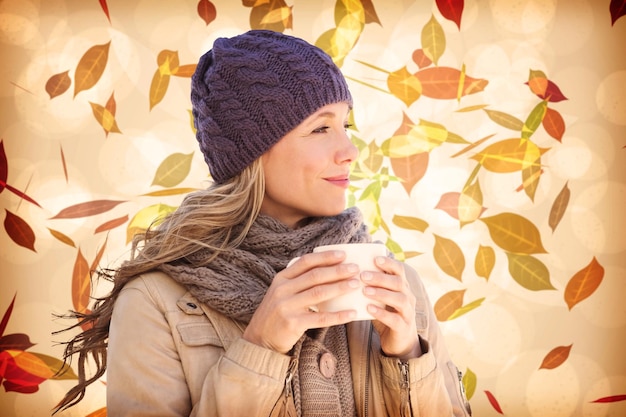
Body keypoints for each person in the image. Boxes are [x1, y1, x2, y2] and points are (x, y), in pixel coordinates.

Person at [55, 29, 472, 416]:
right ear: (252, 152)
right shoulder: (156, 302)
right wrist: (260, 348)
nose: (349, 150)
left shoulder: (397, 285)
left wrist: (407, 358)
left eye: (345, 125)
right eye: (321, 127)